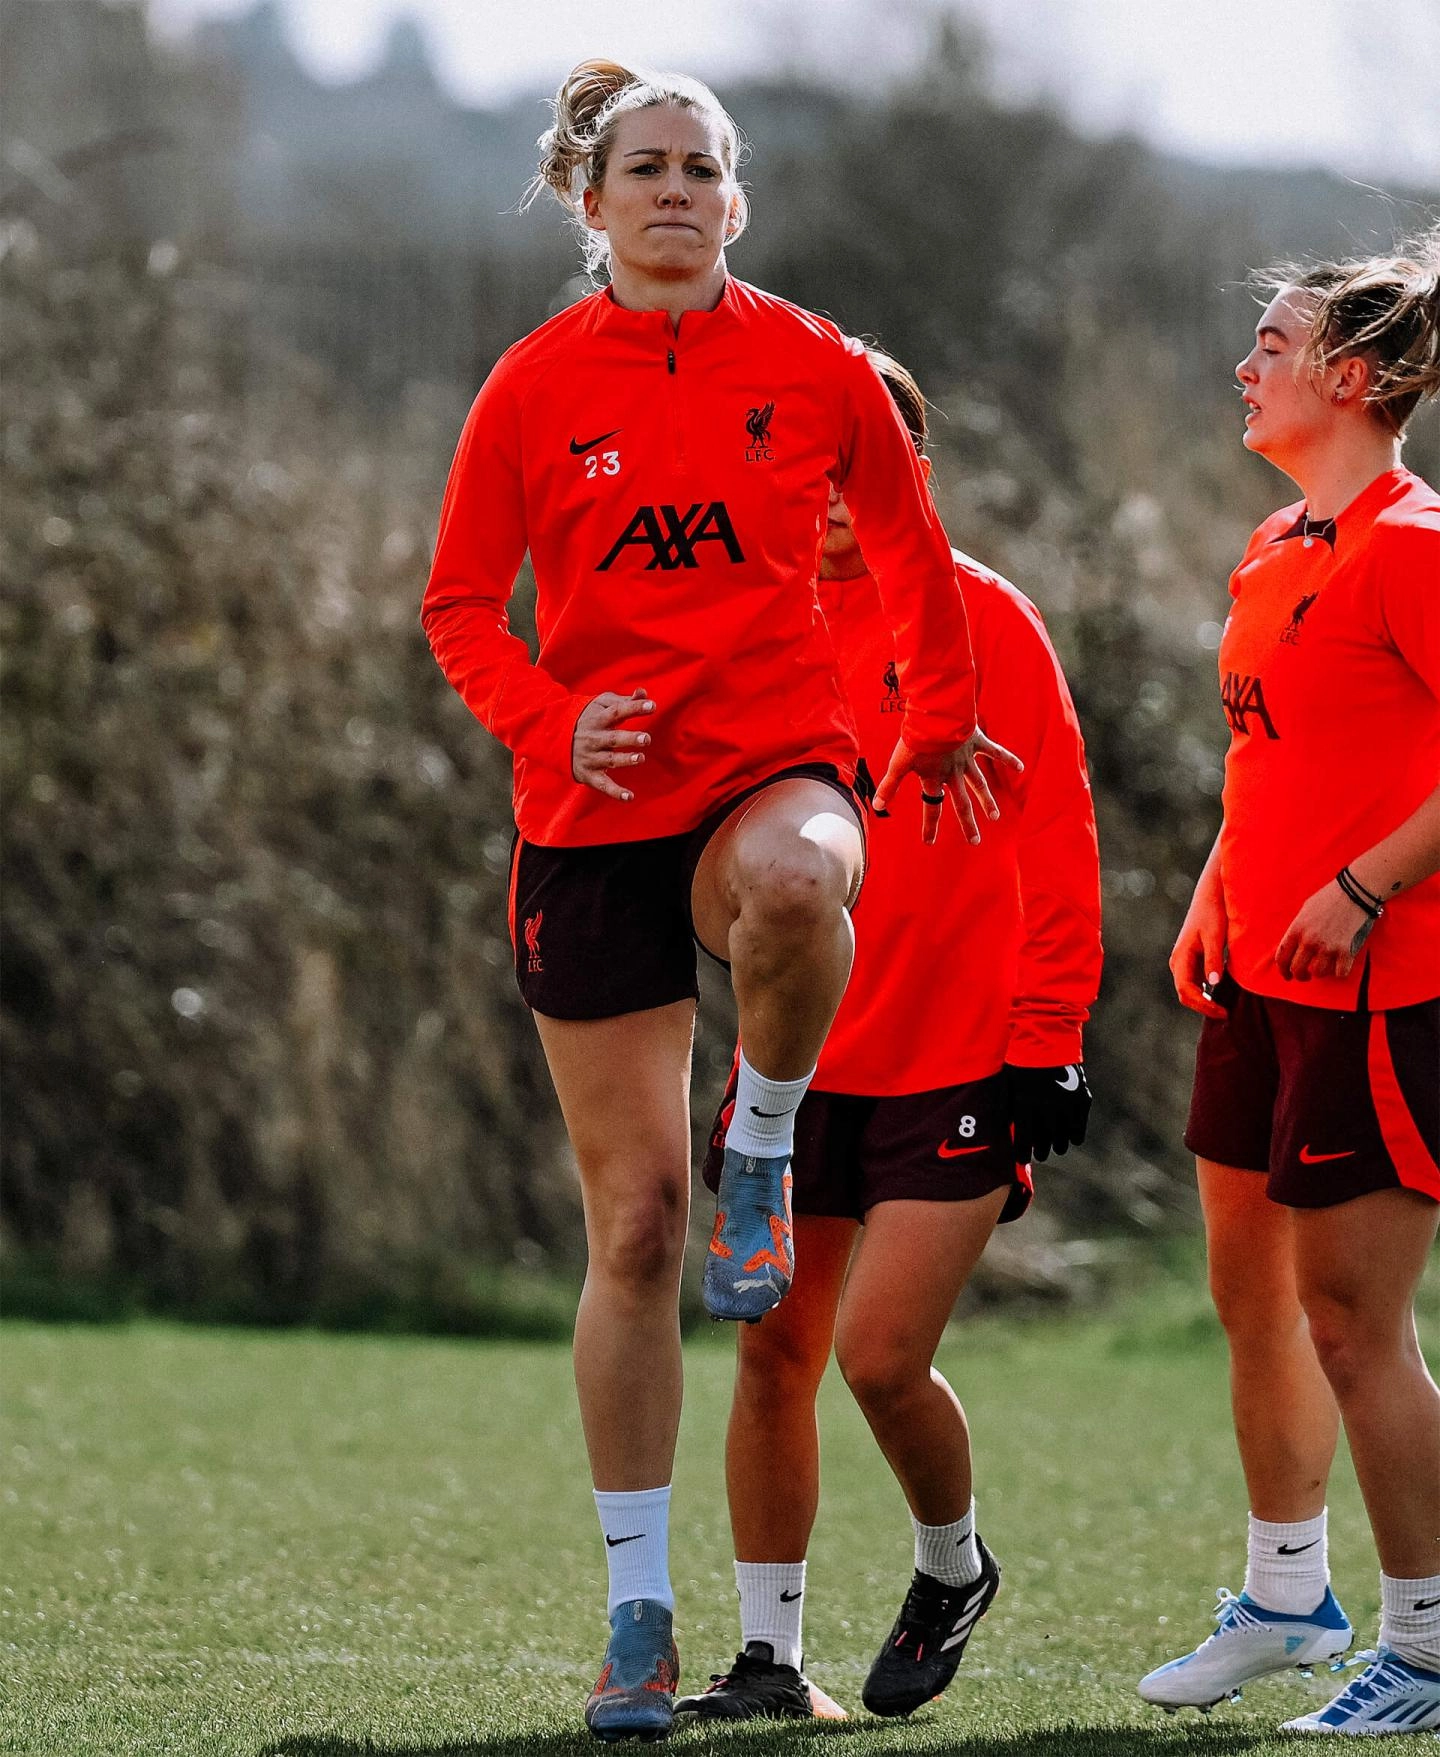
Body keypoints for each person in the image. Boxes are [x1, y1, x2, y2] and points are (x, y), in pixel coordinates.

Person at [420, 62, 1019, 1742]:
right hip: (590, 806)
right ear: (590, 201)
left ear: (735, 203)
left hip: (774, 763)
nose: (675, 188)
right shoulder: (533, 386)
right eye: (645, 168)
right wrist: (554, 719)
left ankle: (765, 1137)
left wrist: (938, 720)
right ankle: (635, 1618)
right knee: (633, 1233)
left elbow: (909, 549)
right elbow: (462, 605)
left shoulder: (815, 364)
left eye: (702, 167)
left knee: (805, 874)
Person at [675, 351, 1102, 1721]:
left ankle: (950, 1565)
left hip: (963, 1058)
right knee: (769, 1355)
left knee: (878, 1358)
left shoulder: (983, 617)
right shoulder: (756, 622)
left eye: (869, 451)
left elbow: (1059, 839)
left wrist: (1050, 1033)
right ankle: (767, 1659)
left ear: (912, 463)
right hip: (796, 1068)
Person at [1140, 229, 1440, 1735]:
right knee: (1253, 1296)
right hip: (1260, 980)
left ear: (1358, 377)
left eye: (1274, 341)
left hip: (1385, 992)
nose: (1246, 364)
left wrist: (1368, 882)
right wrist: (1217, 888)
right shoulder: (1278, 544)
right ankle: (1284, 1597)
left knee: (1349, 1321)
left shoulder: (1416, 543)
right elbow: (1269, 759)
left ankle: (1433, 1644)